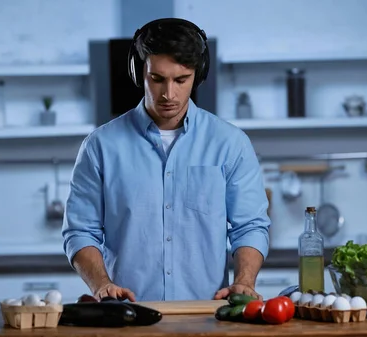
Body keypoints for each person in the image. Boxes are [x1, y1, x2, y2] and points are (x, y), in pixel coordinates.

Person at [61, 18, 271, 302]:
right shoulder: (99, 147)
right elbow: (80, 230)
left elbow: (250, 225)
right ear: (139, 73)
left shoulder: (230, 144)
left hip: (207, 315)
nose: (168, 94)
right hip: (128, 315)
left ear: (198, 74)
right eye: (157, 79)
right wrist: (101, 284)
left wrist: (244, 281)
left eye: (181, 80)